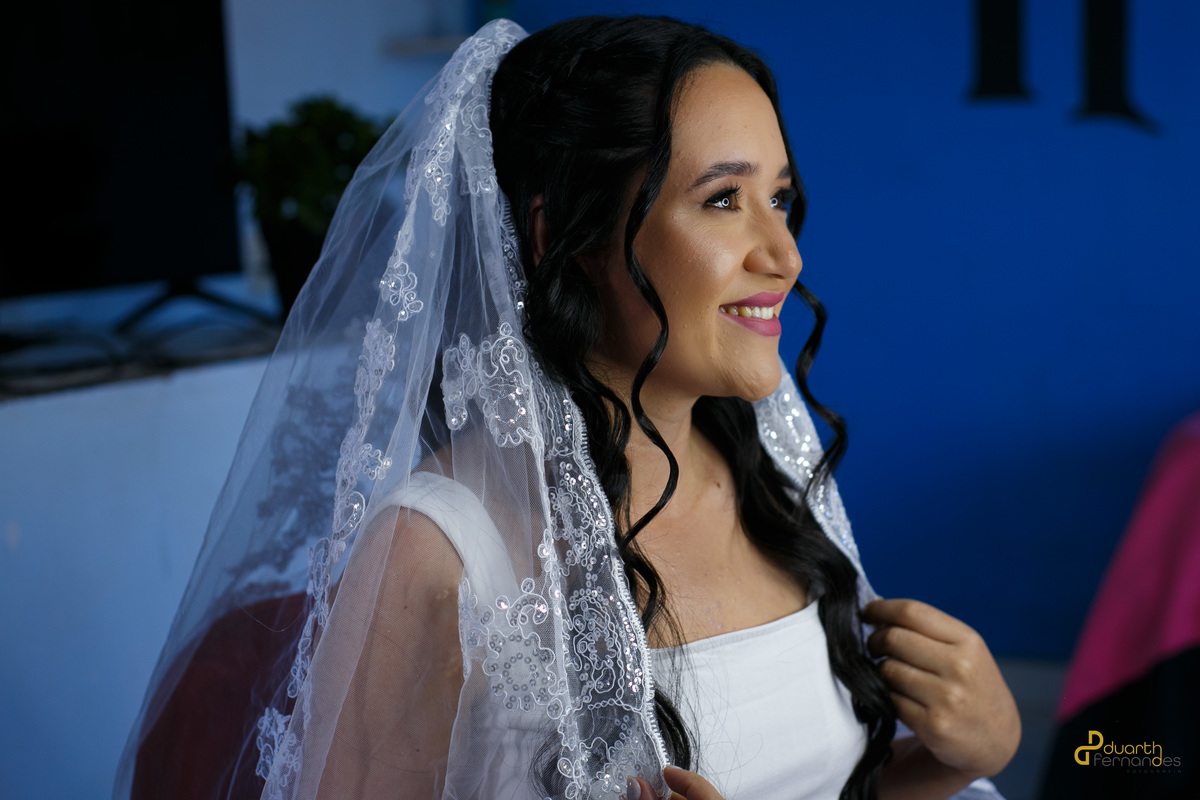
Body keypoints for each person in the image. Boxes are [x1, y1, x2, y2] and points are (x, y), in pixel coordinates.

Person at [117, 16, 1019, 800]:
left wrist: (959, 757)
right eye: (722, 200)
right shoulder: (440, 552)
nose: (784, 254)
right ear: (562, 236)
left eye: (779, 199)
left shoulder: (769, 471)